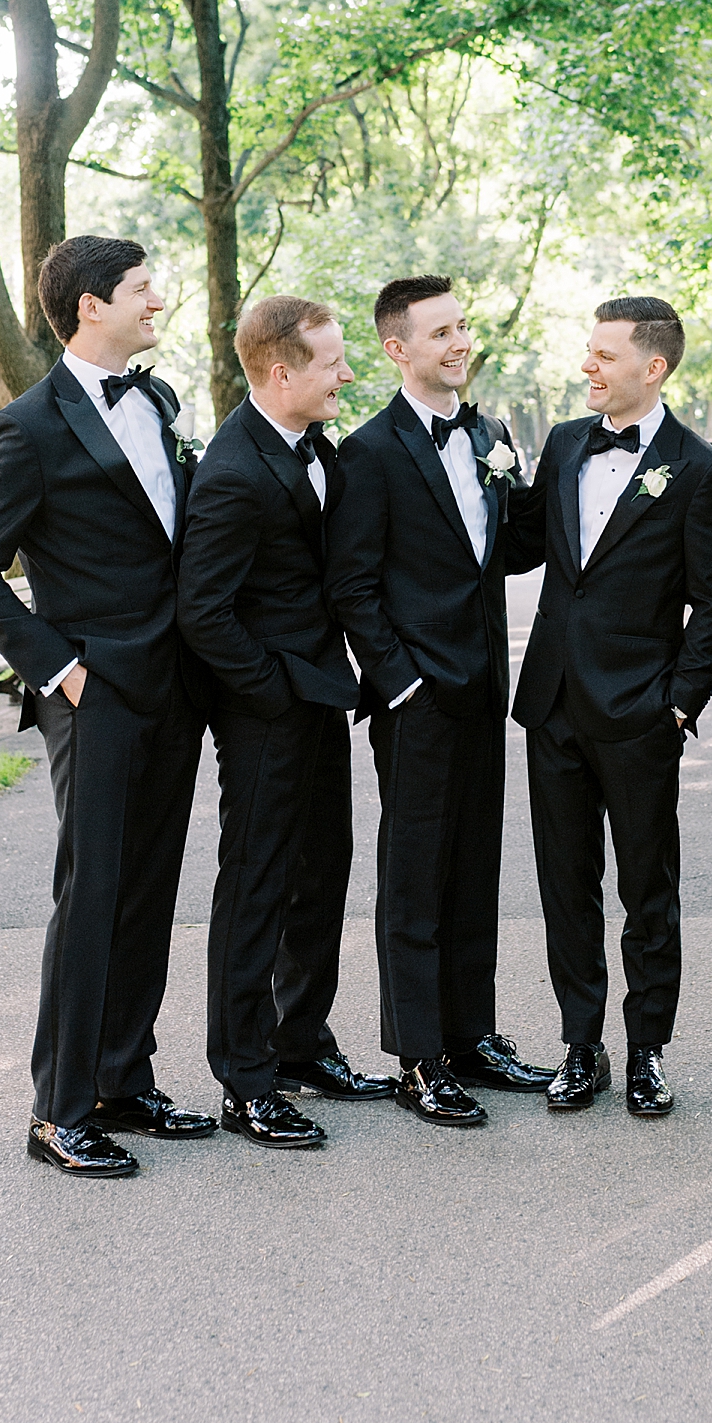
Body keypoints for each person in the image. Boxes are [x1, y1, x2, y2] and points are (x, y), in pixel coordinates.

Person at [0, 236, 213, 1179]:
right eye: (144, 290)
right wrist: (61, 669)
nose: (159, 303)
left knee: (148, 892)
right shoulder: (27, 426)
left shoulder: (161, 399)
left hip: (174, 686)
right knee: (90, 893)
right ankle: (58, 1111)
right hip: (93, 694)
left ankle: (124, 1083)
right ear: (92, 306)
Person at [324, 276, 554, 1129]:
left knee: (474, 869)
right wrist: (401, 681)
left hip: (485, 690)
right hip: (417, 699)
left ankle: (472, 1036)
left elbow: (516, 545)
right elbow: (351, 586)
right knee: (415, 878)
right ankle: (420, 1057)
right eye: (441, 333)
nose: (460, 343)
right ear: (398, 350)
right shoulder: (370, 452)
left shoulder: (492, 435)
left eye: (463, 327)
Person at [506, 296, 712, 1118]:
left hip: (641, 712)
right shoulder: (565, 442)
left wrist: (680, 702)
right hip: (552, 707)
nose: (588, 368)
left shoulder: (702, 469)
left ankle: (647, 1051)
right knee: (565, 885)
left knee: (649, 888)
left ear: (654, 366)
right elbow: (521, 545)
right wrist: (480, 470)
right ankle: (581, 1047)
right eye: (589, 352)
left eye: (604, 355)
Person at [177, 297, 390, 1151]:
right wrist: (270, 694)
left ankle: (302, 1044)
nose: (346, 374)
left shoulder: (311, 448)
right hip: (267, 712)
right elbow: (205, 611)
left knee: (321, 874)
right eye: (332, 361)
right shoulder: (232, 472)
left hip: (316, 700)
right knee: (256, 886)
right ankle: (246, 1077)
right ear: (280, 373)